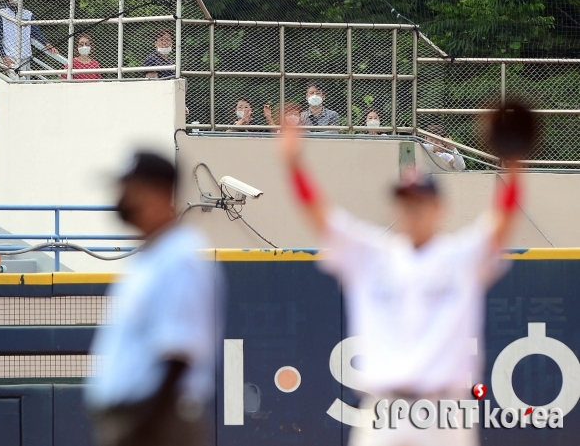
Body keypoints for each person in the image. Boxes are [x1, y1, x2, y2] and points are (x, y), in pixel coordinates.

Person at [280, 124, 521, 446]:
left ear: (440, 209)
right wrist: (293, 164)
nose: (412, 210)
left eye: (420, 202)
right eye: (405, 202)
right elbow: (322, 216)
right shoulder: (371, 256)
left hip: (444, 411)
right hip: (383, 409)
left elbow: (501, 221)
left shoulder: (460, 256)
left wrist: (516, 167)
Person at [87, 151, 221, 446]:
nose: (122, 199)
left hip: (157, 422)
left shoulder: (179, 256)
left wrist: (142, 426)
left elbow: (179, 354)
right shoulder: (151, 256)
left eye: (131, 190)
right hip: (138, 418)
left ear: (160, 195)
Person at [0, 0, 58, 79]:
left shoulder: (28, 14)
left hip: (25, 58)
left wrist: (47, 44)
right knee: (20, 81)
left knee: (24, 83)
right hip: (9, 57)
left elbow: (36, 32)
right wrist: (3, 56)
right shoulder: (0, 12)